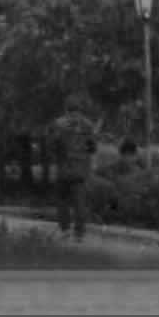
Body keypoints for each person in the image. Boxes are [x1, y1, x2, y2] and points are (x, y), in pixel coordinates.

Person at [50, 102, 98, 240]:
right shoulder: (88, 126)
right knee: (79, 202)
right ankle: (79, 233)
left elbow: (52, 145)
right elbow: (93, 148)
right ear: (80, 111)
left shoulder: (59, 124)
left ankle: (65, 230)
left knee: (62, 200)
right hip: (81, 170)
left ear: (66, 111)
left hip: (64, 169)